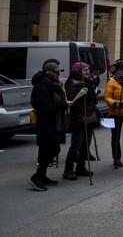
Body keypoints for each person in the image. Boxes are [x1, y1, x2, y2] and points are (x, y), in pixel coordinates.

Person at [28, 61, 72, 191]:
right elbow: (44, 107)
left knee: (49, 150)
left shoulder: (53, 85)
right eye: (57, 72)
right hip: (46, 123)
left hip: (54, 123)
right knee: (49, 150)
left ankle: (42, 176)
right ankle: (37, 177)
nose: (59, 75)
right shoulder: (41, 87)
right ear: (49, 73)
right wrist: (64, 105)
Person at [63, 62, 100, 180]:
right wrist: (80, 95)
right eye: (85, 70)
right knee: (76, 145)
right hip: (78, 117)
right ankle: (68, 170)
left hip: (89, 116)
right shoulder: (73, 83)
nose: (87, 72)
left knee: (86, 144)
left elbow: (93, 100)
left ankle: (81, 166)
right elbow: (71, 99)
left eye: (88, 69)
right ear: (78, 72)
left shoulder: (89, 82)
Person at [104, 61, 123, 169]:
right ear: (117, 70)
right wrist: (114, 103)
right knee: (115, 137)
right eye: (121, 69)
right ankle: (116, 158)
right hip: (115, 113)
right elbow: (107, 97)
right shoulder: (112, 82)